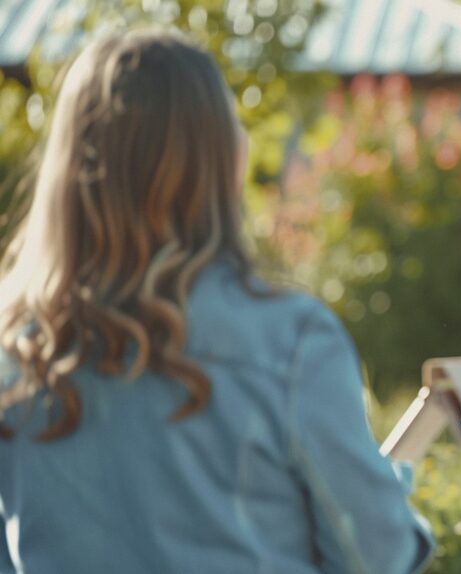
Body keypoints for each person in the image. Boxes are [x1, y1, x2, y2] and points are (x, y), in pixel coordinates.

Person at [0, 29, 432, 574]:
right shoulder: (290, 338)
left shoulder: (17, 348)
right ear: (219, 156)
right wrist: (388, 488)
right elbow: (377, 554)